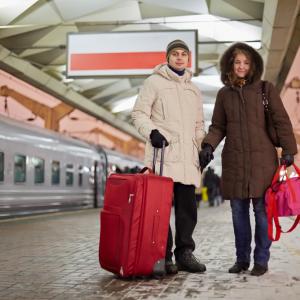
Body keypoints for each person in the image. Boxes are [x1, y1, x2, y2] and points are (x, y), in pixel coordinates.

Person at [199, 42, 297, 276]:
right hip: (234, 162)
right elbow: (218, 126)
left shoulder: (265, 89)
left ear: (253, 65)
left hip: (263, 162)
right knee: (238, 213)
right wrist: (208, 146)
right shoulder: (224, 95)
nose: (241, 66)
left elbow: (281, 120)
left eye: (246, 62)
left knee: (262, 212)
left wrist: (289, 150)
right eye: (237, 62)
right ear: (229, 65)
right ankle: (242, 259)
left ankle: (261, 260)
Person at [132, 39, 206, 274]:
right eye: (175, 53)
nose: (180, 57)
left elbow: (198, 124)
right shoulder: (153, 83)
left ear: (188, 59)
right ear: (168, 57)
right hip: (162, 157)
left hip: (187, 160)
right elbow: (139, 113)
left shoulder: (193, 90)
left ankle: (185, 253)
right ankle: (162, 255)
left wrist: (203, 147)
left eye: (184, 54)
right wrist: (151, 131)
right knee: (160, 210)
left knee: (187, 210)